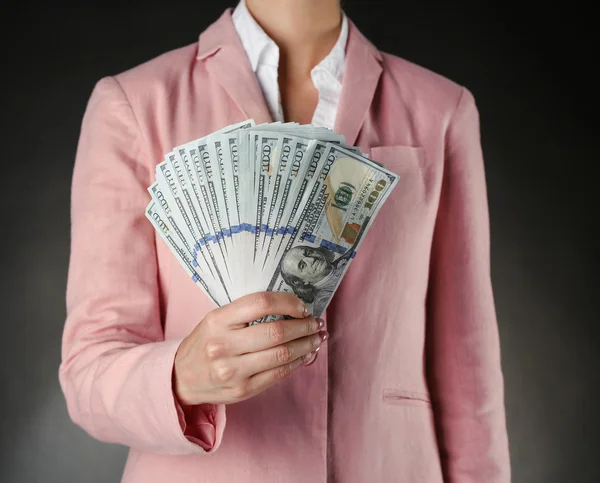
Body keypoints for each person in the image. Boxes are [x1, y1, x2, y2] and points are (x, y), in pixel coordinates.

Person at [59, 0, 511, 481]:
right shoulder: (134, 103)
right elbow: (91, 366)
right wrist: (180, 375)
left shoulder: (442, 109)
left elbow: (468, 370)